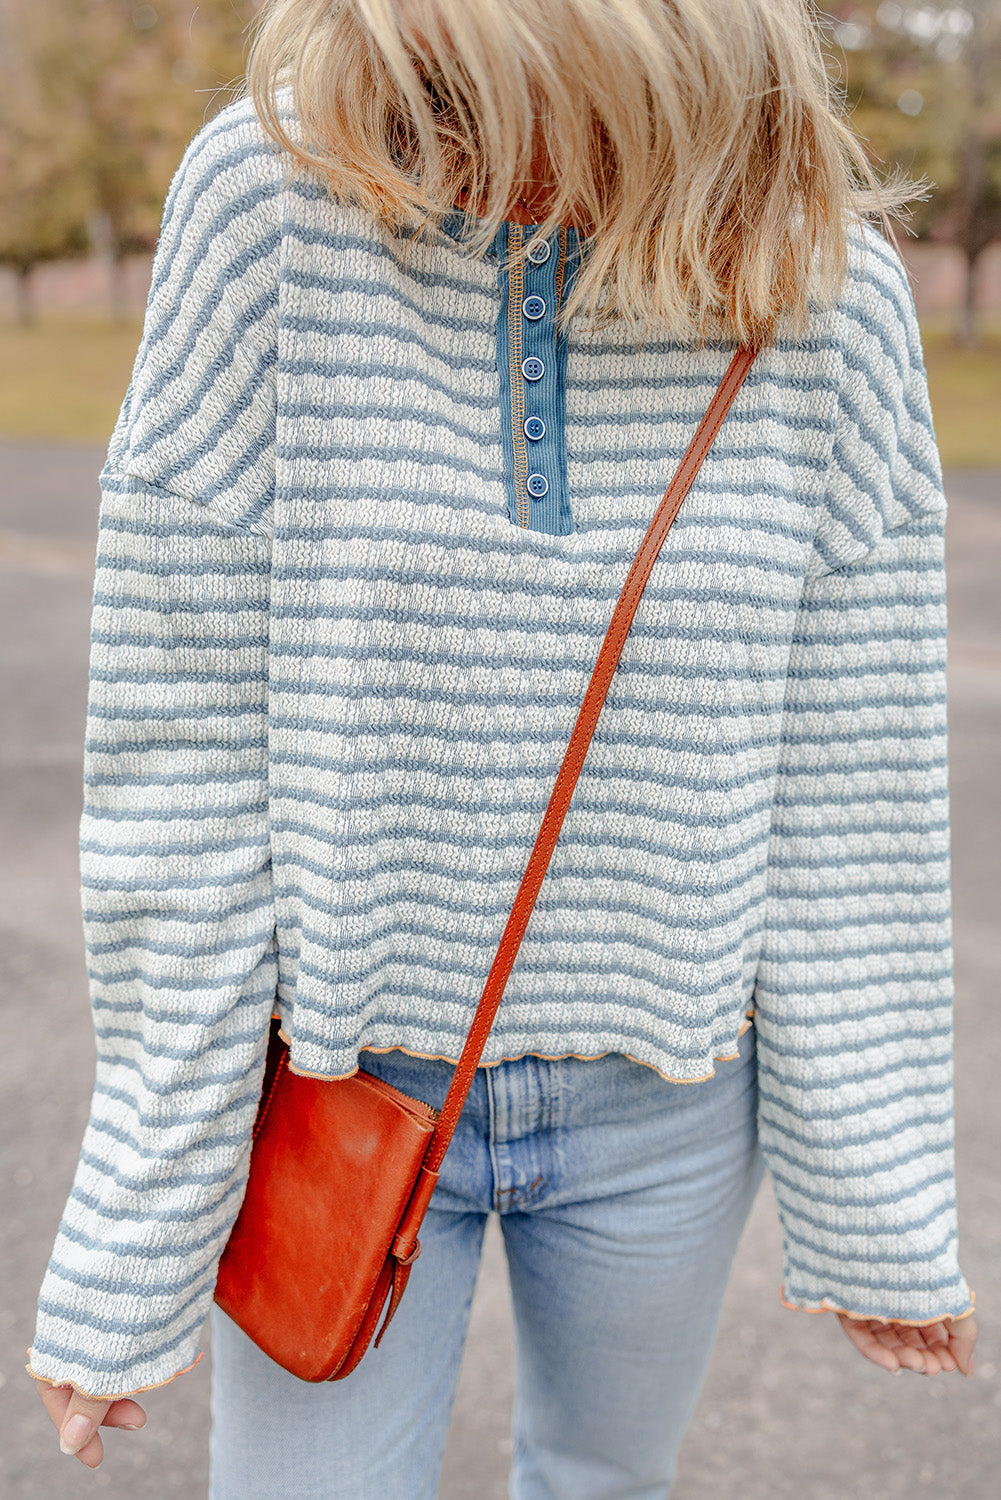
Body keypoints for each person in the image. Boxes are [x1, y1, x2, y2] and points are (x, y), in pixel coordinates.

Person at [29, 0, 978, 1494]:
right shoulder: (270, 205)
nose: (453, 140)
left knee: (601, 1482)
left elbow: (849, 791)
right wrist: (134, 1234)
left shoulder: (820, 283)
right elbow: (181, 757)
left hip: (668, 1103)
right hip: (336, 1083)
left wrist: (879, 1200)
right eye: (434, 82)